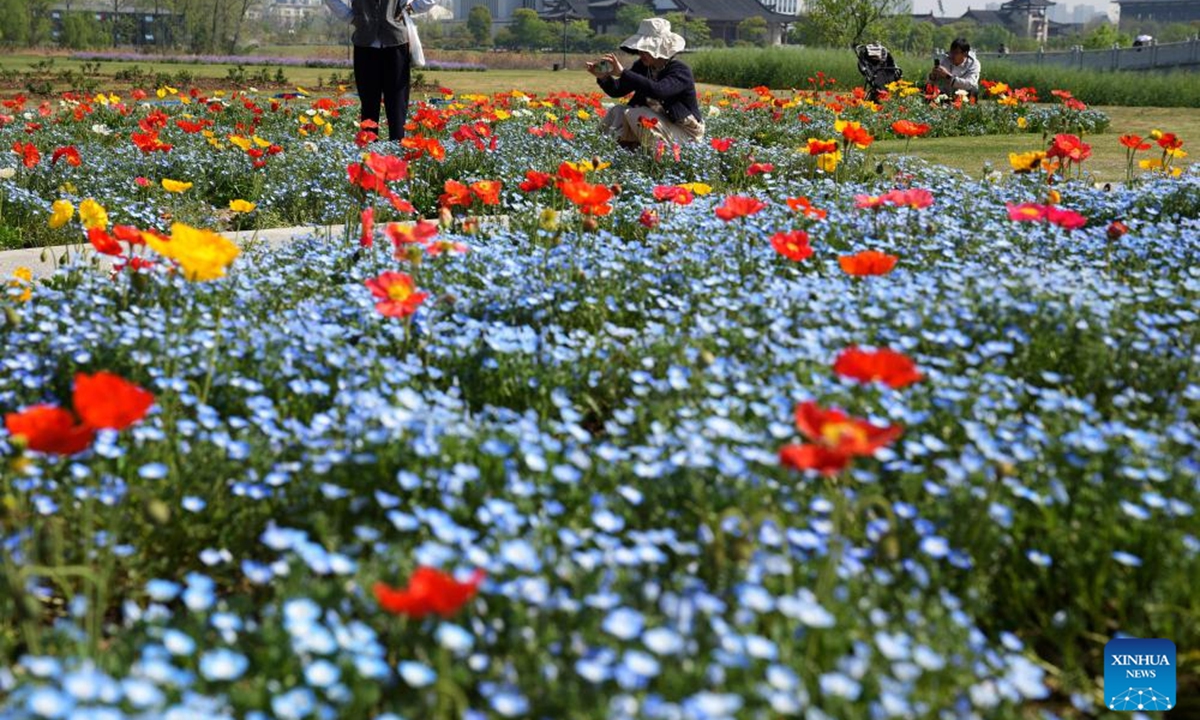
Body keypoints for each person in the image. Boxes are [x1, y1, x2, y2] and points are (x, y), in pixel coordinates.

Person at [324, 0, 437, 141]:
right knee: (368, 107)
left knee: (397, 107)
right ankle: (369, 155)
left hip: (396, 44)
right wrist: (350, 17)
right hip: (365, 45)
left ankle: (397, 153)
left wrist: (412, 8)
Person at [588, 17, 705, 151]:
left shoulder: (680, 70)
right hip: (659, 123)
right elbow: (618, 90)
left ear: (660, 49)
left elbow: (659, 90)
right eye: (640, 49)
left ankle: (656, 157)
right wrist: (604, 77)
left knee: (637, 114)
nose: (641, 53)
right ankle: (608, 150)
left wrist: (623, 72)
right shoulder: (642, 66)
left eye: (646, 50)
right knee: (618, 111)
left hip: (684, 131)